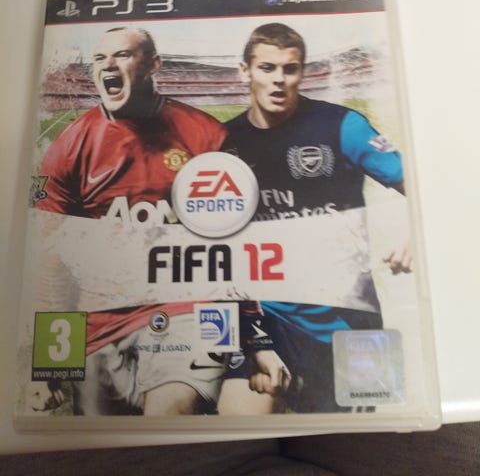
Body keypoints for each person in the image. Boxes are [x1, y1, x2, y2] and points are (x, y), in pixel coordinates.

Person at [33, 26, 232, 416]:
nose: (108, 64)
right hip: (100, 321)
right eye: (99, 58)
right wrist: (49, 364)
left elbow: (234, 243)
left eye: (122, 55)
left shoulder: (206, 135)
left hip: (186, 310)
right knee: (100, 441)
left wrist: (245, 336)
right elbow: (52, 261)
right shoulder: (68, 148)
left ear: (153, 65)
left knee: (168, 414)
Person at [217, 22, 411, 415]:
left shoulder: (343, 126)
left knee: (357, 438)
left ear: (301, 72)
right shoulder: (221, 143)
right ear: (245, 71)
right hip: (266, 319)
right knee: (237, 419)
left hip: (349, 318)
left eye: (289, 69)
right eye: (267, 68)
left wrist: (415, 236)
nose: (279, 79)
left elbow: (425, 186)